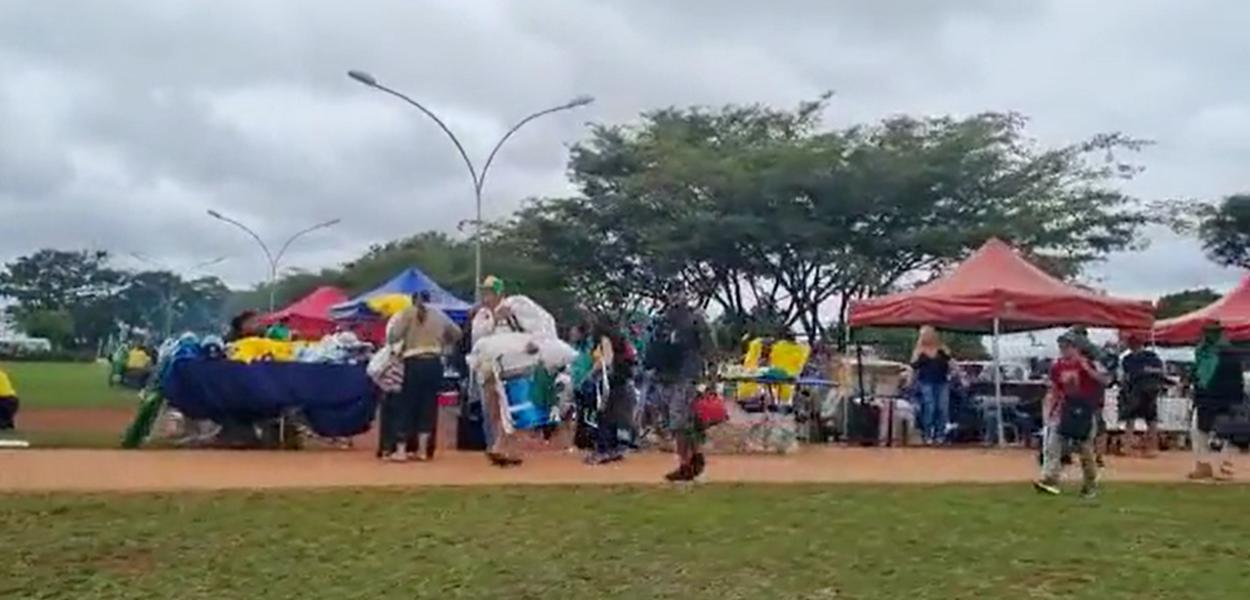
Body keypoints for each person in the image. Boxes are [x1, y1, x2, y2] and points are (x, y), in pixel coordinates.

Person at [383, 291, 461, 462]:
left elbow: (393, 336)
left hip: (413, 362)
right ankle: (423, 451)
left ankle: (401, 451)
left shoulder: (407, 313)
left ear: (413, 300)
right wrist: (442, 341)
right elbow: (457, 333)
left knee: (407, 406)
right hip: (434, 363)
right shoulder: (440, 315)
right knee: (428, 406)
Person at [644, 285, 711, 482]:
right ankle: (694, 457)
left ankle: (685, 463)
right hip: (664, 376)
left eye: (678, 292)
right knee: (675, 423)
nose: (675, 296)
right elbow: (653, 347)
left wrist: (710, 378)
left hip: (686, 375)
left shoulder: (695, 318)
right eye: (671, 292)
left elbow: (708, 348)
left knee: (678, 421)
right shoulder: (661, 319)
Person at [1035, 333, 1109, 498]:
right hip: (1065, 408)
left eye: (1068, 346)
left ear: (1076, 348)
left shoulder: (1088, 363)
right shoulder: (1057, 366)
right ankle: (1050, 479)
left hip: (1085, 409)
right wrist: (1050, 411)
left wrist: (1087, 369)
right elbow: (1055, 389)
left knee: (1085, 449)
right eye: (1062, 346)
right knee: (1053, 445)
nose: (1064, 350)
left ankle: (1090, 483)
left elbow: (1105, 380)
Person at [1188, 322, 1244, 481]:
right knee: (1220, 433)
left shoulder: (1206, 352)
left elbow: (1200, 377)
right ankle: (1216, 466)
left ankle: (1208, 466)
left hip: (1212, 398)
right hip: (1222, 398)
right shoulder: (1229, 351)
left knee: (1203, 432)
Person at [585, 317, 638, 465]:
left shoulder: (605, 339)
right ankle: (614, 448)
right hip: (621, 380)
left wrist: (592, 373)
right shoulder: (620, 339)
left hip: (610, 381)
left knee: (604, 415)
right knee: (614, 415)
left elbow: (607, 360)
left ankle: (604, 450)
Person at [1118, 333, 1166, 457]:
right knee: (1143, 419)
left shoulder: (1140, 358)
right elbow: (1161, 373)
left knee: (1141, 419)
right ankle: (1143, 447)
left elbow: (1160, 371)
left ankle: (1138, 447)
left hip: (1142, 390)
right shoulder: (1149, 357)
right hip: (1143, 390)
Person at [911, 325, 953, 445]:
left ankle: (940, 434)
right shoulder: (919, 350)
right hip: (926, 382)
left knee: (942, 409)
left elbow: (950, 361)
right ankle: (928, 434)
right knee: (930, 407)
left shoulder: (942, 348)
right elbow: (913, 365)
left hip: (942, 381)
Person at [0, 366, 18, 431]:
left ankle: (6, 421)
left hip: (5, 402)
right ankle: (8, 421)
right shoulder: (2, 373)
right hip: (12, 401)